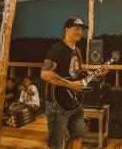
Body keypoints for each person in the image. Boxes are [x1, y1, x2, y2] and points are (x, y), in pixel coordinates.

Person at [40, 17, 109, 149]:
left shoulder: (78, 51)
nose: (80, 32)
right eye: (77, 29)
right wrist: (70, 85)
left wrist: (98, 73)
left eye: (81, 29)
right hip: (57, 103)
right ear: (67, 30)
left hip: (75, 102)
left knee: (78, 136)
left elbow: (79, 72)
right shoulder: (57, 49)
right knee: (56, 144)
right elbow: (45, 74)